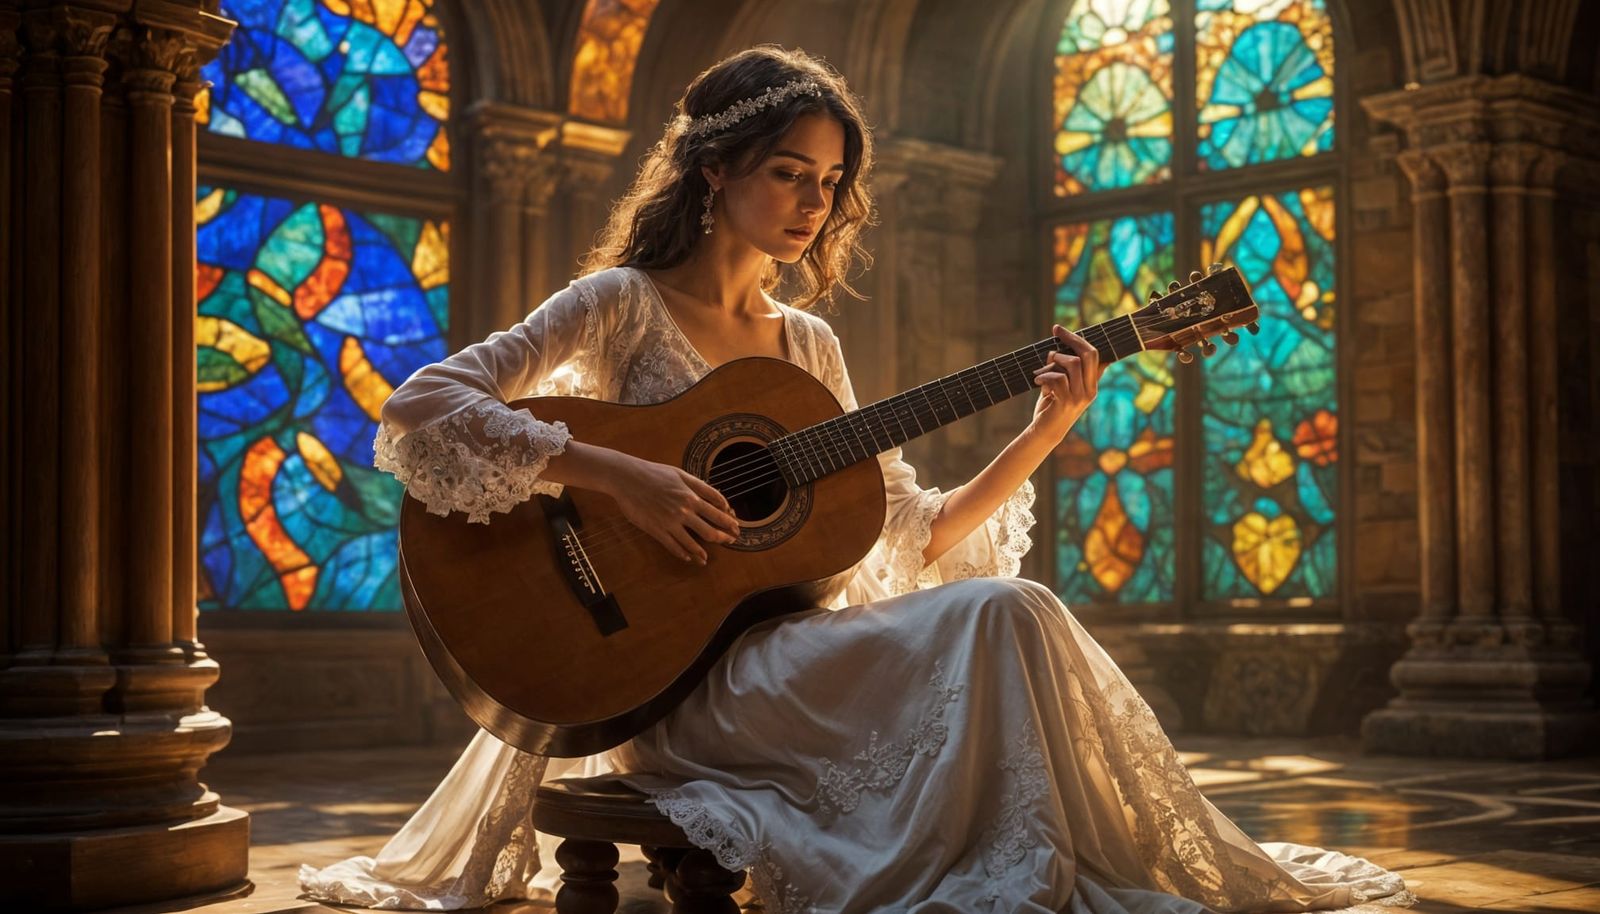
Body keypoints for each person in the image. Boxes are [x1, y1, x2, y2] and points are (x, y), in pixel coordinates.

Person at [299, 45, 1413, 914]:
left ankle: (1035, 865)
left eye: (829, 183)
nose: (813, 204)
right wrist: (619, 475)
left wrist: (1042, 429)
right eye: (788, 173)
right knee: (1011, 613)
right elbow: (425, 406)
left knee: (1010, 605)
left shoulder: (808, 347)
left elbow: (908, 535)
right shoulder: (619, 303)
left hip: (792, 656)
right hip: (678, 682)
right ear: (712, 169)